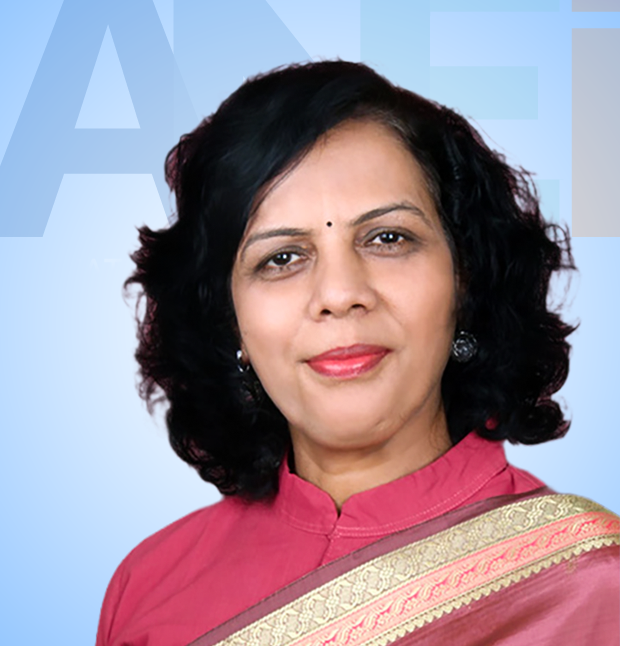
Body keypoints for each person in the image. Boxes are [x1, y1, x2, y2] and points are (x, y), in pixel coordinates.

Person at [96, 61, 619, 646]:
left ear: (465, 280)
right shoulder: (150, 588)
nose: (340, 294)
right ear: (229, 320)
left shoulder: (592, 583)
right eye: (282, 258)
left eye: (387, 238)